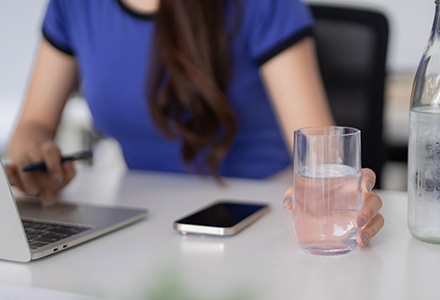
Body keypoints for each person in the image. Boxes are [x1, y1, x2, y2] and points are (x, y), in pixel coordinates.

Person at [5, 0, 383, 246]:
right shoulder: (74, 6)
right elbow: (34, 123)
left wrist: (346, 194)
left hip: (258, 215)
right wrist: (30, 157)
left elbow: (320, 153)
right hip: (140, 218)